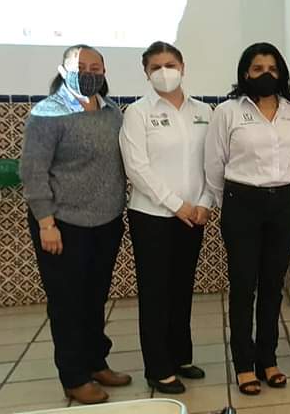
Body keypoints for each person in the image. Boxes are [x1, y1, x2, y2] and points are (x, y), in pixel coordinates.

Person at [20, 45, 132, 405]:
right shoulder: (47, 114)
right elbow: (33, 171)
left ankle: (96, 362)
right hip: (63, 224)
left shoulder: (112, 113)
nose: (88, 73)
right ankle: (73, 375)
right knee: (67, 302)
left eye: (95, 67)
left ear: (105, 72)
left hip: (106, 221)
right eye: (80, 67)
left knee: (95, 297)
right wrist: (46, 223)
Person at [205, 42, 290, 396]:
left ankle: (268, 359)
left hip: (282, 204)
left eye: (272, 68)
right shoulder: (228, 111)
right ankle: (244, 365)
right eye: (258, 68)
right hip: (241, 203)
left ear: (281, 73)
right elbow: (214, 162)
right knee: (244, 286)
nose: (266, 74)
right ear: (245, 73)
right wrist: (227, 203)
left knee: (273, 286)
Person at [119, 42, 213, 394]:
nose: (164, 72)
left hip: (195, 214)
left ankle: (180, 356)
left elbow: (212, 161)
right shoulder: (137, 113)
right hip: (152, 216)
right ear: (146, 73)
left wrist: (205, 202)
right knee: (156, 292)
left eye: (170, 64)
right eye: (155, 67)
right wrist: (176, 204)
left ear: (183, 67)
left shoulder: (204, 111)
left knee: (182, 288)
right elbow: (136, 167)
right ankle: (158, 368)